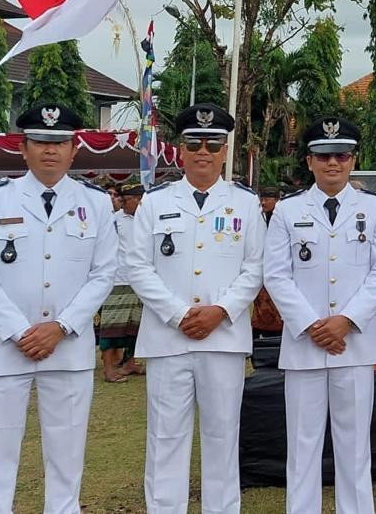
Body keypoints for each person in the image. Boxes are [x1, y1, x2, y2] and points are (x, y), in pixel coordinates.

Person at [0, 103, 117, 514]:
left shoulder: (96, 203)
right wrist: (20, 331)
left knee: (67, 456)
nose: (51, 150)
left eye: (60, 142)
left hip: (67, 348)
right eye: (41, 141)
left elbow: (103, 273)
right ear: (23, 147)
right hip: (5, 348)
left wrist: (61, 327)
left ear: (74, 150)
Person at [125, 103, 265, 514]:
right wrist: (177, 314)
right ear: (180, 151)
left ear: (225, 151)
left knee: (223, 436)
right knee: (165, 438)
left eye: (213, 144)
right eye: (195, 144)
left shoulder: (245, 204)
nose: (204, 151)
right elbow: (138, 266)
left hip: (223, 338)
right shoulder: (155, 202)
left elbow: (256, 267)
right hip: (168, 338)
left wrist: (221, 310)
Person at [264, 117, 376, 514]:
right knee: (302, 444)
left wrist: (346, 320)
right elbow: (276, 274)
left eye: (341, 155)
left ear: (353, 160)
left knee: (354, 444)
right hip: (305, 344)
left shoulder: (375, 208)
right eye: (323, 156)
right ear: (309, 161)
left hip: (354, 342)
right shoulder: (288, 210)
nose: (333, 163)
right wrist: (312, 325)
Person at [99, 182, 146, 382]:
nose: (122, 203)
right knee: (111, 326)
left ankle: (130, 363)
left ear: (139, 200)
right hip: (118, 279)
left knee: (137, 326)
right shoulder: (114, 220)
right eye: (122, 200)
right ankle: (109, 369)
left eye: (126, 200)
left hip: (142, 279)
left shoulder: (148, 218)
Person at [252, 186, 284, 338]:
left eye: (267, 199)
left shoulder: (282, 217)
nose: (263, 203)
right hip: (260, 267)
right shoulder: (258, 216)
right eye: (261, 199)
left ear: (277, 200)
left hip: (278, 269)